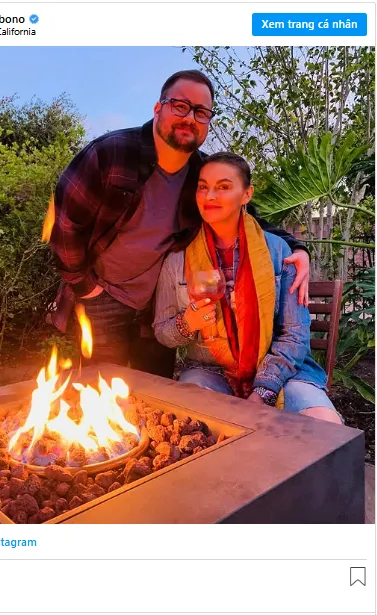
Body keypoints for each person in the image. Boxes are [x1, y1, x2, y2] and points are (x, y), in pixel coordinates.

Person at [47, 69, 310, 379]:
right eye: (180, 106)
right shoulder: (111, 154)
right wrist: (86, 287)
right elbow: (65, 224)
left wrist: (297, 248)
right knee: (101, 390)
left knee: (155, 392)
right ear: (158, 107)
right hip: (104, 297)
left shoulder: (201, 173)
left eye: (201, 112)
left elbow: (243, 215)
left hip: (160, 302)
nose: (189, 118)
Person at [153, 152, 342, 423]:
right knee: (192, 425)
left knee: (326, 427)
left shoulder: (278, 252)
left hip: (283, 371)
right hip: (210, 370)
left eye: (223, 187)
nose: (210, 196)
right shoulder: (177, 260)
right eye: (203, 187)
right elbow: (162, 331)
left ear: (246, 194)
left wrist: (263, 389)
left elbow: (295, 335)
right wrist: (187, 323)